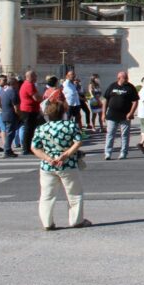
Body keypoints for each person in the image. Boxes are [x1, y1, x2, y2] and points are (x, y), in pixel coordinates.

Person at [30, 97, 90, 230]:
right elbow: (79, 141)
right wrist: (66, 155)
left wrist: (47, 158)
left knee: (47, 195)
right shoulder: (70, 125)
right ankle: (76, 220)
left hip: (47, 166)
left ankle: (47, 223)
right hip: (68, 165)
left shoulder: (42, 128)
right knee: (74, 194)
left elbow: (34, 147)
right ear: (63, 112)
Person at [103, 71, 139, 161]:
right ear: (119, 78)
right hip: (112, 114)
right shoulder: (112, 86)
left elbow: (135, 101)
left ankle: (123, 153)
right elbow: (106, 100)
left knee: (125, 135)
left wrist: (131, 112)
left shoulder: (130, 87)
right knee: (110, 134)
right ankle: (108, 153)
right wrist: (103, 113)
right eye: (125, 78)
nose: (127, 79)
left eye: (127, 78)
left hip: (125, 115)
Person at [18, 71, 42, 155]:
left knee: (30, 129)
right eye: (35, 76)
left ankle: (29, 147)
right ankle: (26, 148)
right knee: (28, 130)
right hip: (29, 110)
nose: (36, 78)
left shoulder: (27, 84)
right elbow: (36, 98)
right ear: (29, 77)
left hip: (30, 109)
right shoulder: (29, 85)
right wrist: (43, 97)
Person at [0, 75, 21, 157]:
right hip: (11, 115)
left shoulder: (4, 91)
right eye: (17, 83)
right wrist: (20, 115)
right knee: (10, 133)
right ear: (14, 83)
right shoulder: (13, 92)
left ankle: (8, 149)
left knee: (9, 132)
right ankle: (7, 150)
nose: (18, 85)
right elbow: (16, 107)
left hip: (4, 114)